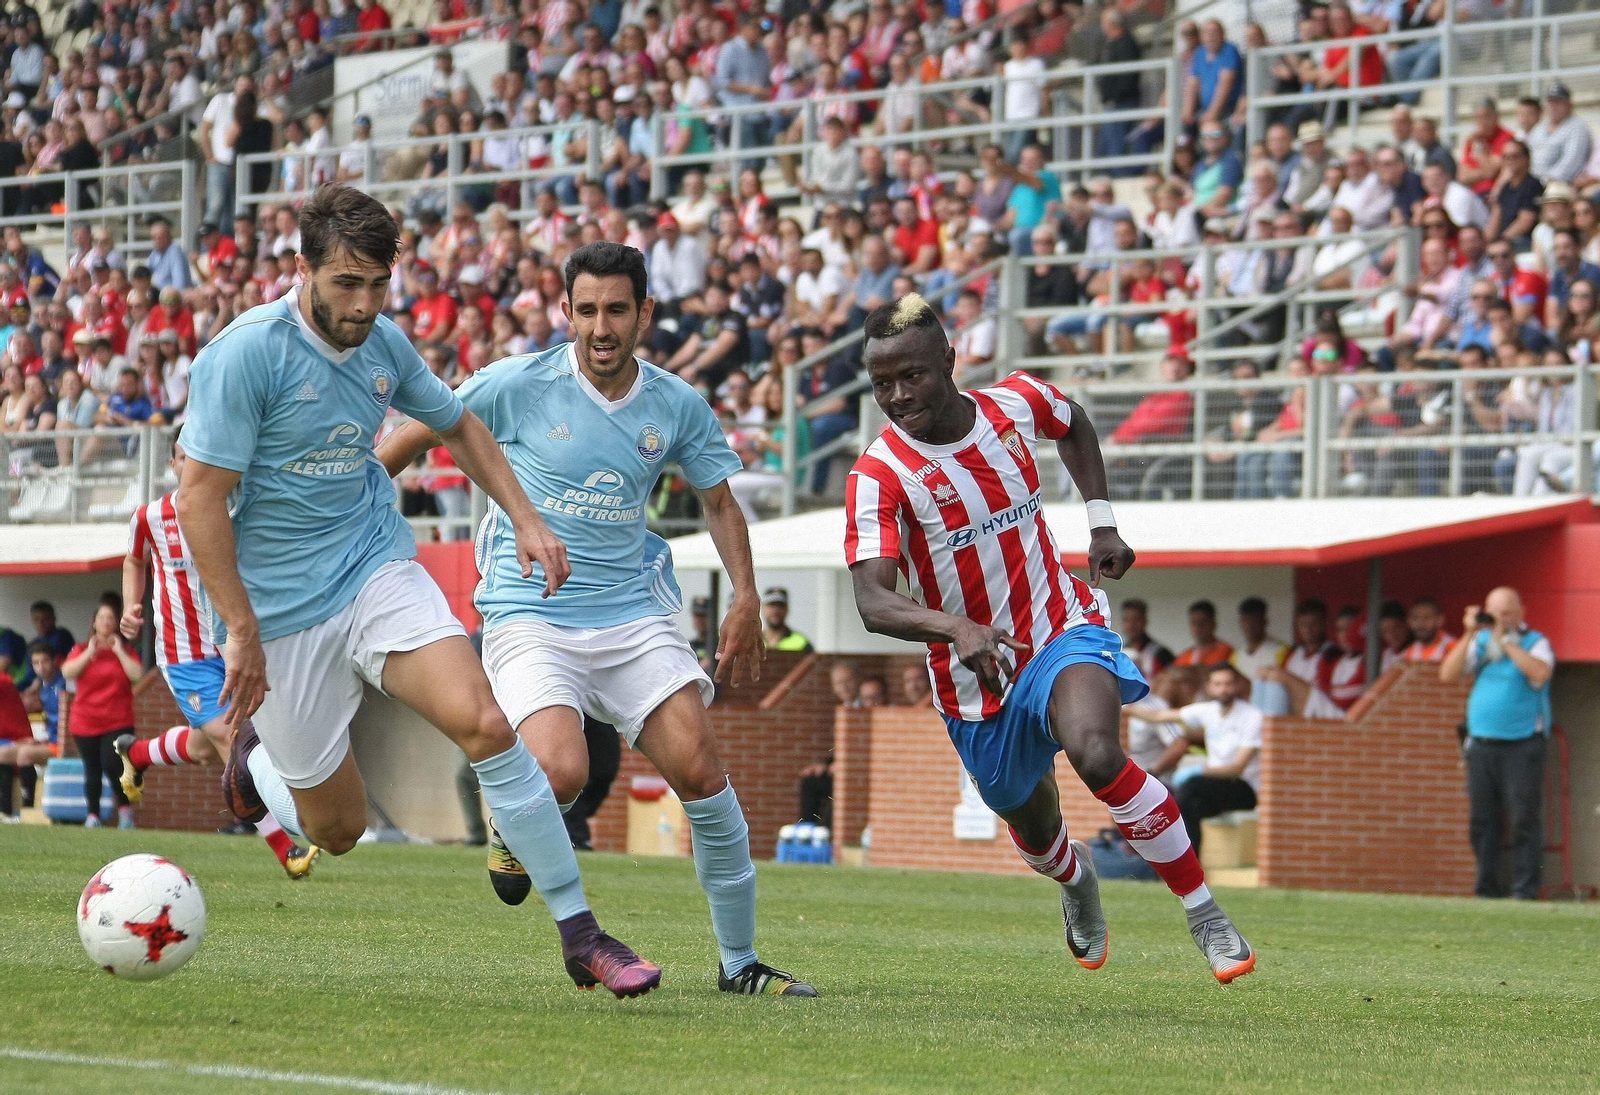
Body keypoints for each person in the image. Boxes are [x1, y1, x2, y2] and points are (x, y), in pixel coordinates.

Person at [177, 185, 659, 1000]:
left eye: (376, 285)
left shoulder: (383, 343)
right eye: (344, 285)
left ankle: (582, 933)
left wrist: (527, 518)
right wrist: (240, 627)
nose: (363, 306)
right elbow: (197, 498)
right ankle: (255, 768)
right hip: (278, 612)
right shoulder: (246, 354)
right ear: (302, 269)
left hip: (371, 566)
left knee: (483, 718)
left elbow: (457, 421)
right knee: (338, 829)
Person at [377, 241, 816, 998]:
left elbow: (718, 501)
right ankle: (515, 824)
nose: (601, 326)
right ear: (565, 312)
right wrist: (351, 507)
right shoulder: (518, 383)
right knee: (562, 770)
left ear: (645, 311)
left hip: (632, 616)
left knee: (703, 773)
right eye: (586, 310)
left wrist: (745, 595)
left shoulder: (676, 403)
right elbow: (421, 431)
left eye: (617, 309)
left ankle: (740, 963)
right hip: (530, 613)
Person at [845, 293, 1254, 983]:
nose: (897, 395)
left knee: (1096, 751)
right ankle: (1075, 879)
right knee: (1033, 829)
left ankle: (1204, 908)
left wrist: (1101, 523)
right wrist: (955, 627)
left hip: (1061, 625)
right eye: (882, 382)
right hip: (975, 681)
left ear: (950, 360)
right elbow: (871, 598)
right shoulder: (880, 476)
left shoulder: (1014, 404)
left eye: (911, 375)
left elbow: (1077, 424)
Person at [116, 435, 320, 878]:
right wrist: (132, 606)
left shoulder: (233, 507)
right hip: (183, 655)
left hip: (232, 649)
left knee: (206, 749)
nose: (192, 466)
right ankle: (286, 848)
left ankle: (139, 754)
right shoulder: (150, 516)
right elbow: (134, 560)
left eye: (199, 458)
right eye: (184, 459)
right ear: (172, 464)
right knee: (235, 741)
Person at [1440, 588, 1554, 899]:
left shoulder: (1535, 643)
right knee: (1482, 819)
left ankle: (1525, 890)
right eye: (1494, 612)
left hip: (1521, 744)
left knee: (1523, 817)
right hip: (1482, 743)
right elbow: (1447, 674)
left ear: (1520, 613)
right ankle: (1486, 888)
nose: (1499, 619)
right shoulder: (1479, 643)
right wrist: (1468, 634)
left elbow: (1540, 673)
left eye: (1506, 613)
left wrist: (1506, 640)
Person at [1130, 664, 1262, 855]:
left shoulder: (1252, 716)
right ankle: (1190, 865)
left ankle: (1187, 864)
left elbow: (1237, 768)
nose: (1223, 689)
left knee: (1190, 788)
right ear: (1209, 687)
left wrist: (1198, 771)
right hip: (1214, 787)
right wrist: (1125, 709)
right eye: (1218, 684)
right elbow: (1159, 716)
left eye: (1228, 684)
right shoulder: (1207, 711)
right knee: (1188, 805)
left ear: (1237, 686)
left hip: (1244, 788)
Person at [61, 603, 141, 828]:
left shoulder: (126, 651)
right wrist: (90, 652)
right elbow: (68, 672)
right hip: (85, 720)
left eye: (110, 618)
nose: (106, 622)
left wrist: (119, 651)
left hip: (118, 720)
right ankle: (93, 815)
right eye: (102, 618)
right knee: (92, 768)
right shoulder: (81, 648)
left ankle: (125, 811)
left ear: (116, 623)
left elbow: (136, 675)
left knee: (113, 763)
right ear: (94, 623)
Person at [1230, 597, 1289, 715]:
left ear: (1264, 621)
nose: (1250, 626)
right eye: (1246, 620)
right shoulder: (1235, 655)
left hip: (1270, 714)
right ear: (1241, 622)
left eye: (1254, 621)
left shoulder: (1282, 651)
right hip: (1240, 713)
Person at [1119, 598, 1174, 680]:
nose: (1131, 625)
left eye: (1136, 619)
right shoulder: (1117, 652)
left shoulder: (1161, 654)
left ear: (1145, 621)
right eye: (1127, 620)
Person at [1173, 600, 1233, 668]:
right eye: (1193, 622)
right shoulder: (1185, 656)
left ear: (1213, 623)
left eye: (1202, 622)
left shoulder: (1226, 651)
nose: (1197, 627)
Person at [1403, 597, 1456, 662]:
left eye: (1426, 618)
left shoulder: (1452, 647)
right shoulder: (1411, 650)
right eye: (1415, 618)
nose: (1420, 624)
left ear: (1440, 620)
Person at [760, 587, 811, 652]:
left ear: (787, 609)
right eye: (771, 605)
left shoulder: (802, 643)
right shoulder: (753, 642)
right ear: (763, 609)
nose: (776, 610)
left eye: (780, 606)